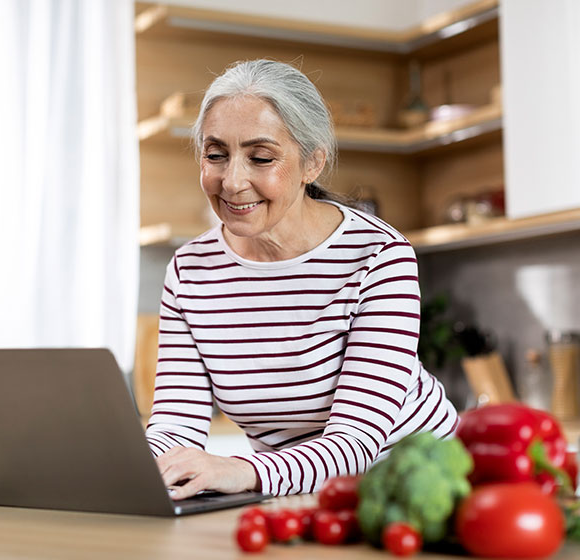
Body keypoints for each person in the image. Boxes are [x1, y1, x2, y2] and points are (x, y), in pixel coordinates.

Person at [145, 59, 459, 500]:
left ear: (312, 163)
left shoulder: (378, 256)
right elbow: (176, 424)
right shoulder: (190, 269)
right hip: (303, 494)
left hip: (416, 487)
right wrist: (126, 464)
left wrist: (243, 471)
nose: (232, 181)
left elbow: (357, 443)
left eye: (260, 158)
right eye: (215, 155)